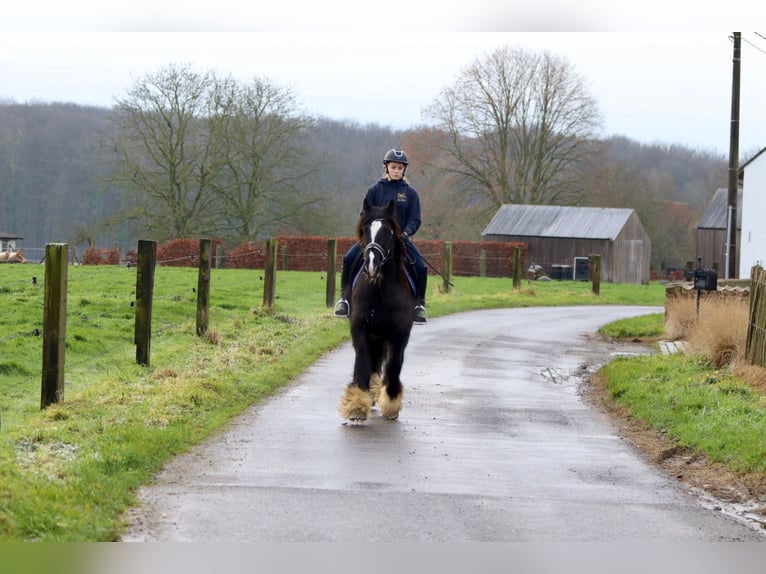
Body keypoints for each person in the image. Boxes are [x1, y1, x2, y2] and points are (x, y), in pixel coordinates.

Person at [334, 148, 428, 324]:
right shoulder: (375, 190)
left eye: (400, 168)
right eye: (394, 167)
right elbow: (365, 215)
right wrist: (368, 234)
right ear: (386, 167)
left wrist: (406, 233)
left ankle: (419, 305)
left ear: (404, 170)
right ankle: (345, 300)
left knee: (421, 268)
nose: (397, 171)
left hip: (400, 240)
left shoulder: (410, 193)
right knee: (348, 259)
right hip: (375, 239)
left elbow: (415, 218)